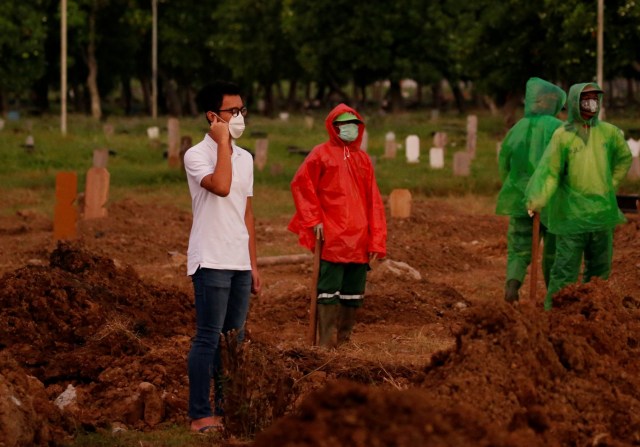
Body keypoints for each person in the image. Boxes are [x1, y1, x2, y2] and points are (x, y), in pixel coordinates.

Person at [183, 81, 261, 432]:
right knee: (208, 337)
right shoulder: (196, 155)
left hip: (238, 261)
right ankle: (201, 413)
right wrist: (223, 144)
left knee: (235, 339)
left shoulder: (246, 158)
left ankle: (229, 408)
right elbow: (222, 186)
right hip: (211, 259)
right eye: (232, 111)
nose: (240, 116)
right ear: (213, 116)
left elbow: (246, 211)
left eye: (243, 110)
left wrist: (253, 264)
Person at [526, 82, 632, 310]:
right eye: (586, 100)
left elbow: (624, 157)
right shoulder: (562, 136)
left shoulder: (609, 133)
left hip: (601, 214)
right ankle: (556, 316)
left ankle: (592, 312)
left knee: (600, 270)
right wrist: (538, 199)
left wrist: (610, 183)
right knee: (565, 269)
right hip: (572, 216)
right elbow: (550, 172)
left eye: (595, 100)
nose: (591, 106)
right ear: (575, 102)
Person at [288, 104, 387, 347]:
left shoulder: (363, 160)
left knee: (353, 293)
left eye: (353, 124)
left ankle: (343, 342)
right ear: (333, 128)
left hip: (359, 237)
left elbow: (373, 201)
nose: (349, 129)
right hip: (332, 235)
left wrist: (376, 238)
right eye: (343, 125)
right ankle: (324, 344)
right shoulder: (320, 154)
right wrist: (313, 219)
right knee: (328, 290)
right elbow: (302, 185)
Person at [496, 77, 566, 302]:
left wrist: (518, 187)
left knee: (519, 247)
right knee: (553, 251)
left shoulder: (517, 129)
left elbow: (504, 163)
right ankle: (553, 297)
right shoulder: (560, 129)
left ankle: (512, 287)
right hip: (553, 200)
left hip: (519, 198)